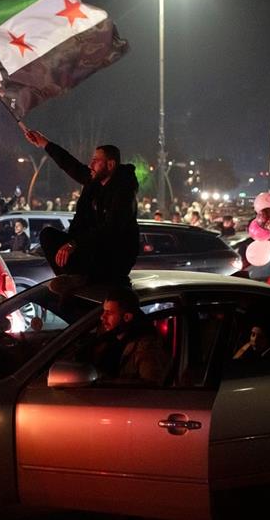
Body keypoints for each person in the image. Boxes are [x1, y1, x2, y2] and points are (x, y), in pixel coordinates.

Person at [25, 129, 139, 284]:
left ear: (110, 164)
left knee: (74, 249)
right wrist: (45, 143)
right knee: (48, 236)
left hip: (113, 255)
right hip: (90, 246)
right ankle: (66, 280)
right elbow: (71, 165)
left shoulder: (124, 192)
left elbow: (111, 228)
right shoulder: (94, 181)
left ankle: (75, 281)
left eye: (96, 160)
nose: (91, 164)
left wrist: (75, 243)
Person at [81, 287, 169, 383]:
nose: (102, 317)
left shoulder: (146, 345)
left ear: (127, 317)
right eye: (103, 311)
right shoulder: (108, 333)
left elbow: (151, 384)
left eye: (109, 313)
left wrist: (107, 383)